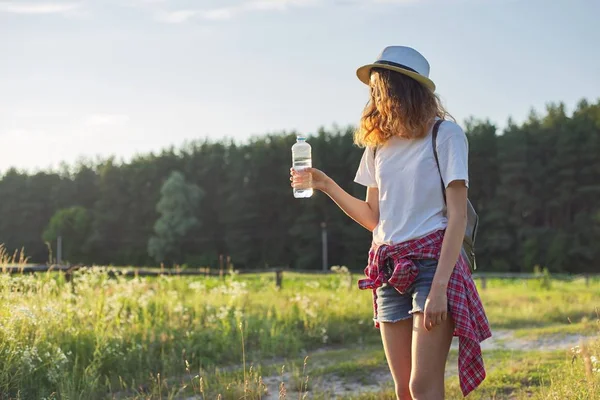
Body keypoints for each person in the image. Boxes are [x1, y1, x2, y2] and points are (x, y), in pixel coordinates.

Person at [290, 46, 491, 400]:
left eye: (379, 86)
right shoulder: (378, 146)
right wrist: (323, 184)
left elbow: (457, 215)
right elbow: (372, 218)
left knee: (422, 386)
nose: (373, 95)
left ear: (401, 89)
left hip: (433, 266)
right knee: (403, 390)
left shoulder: (445, 136)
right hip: (388, 268)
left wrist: (441, 288)